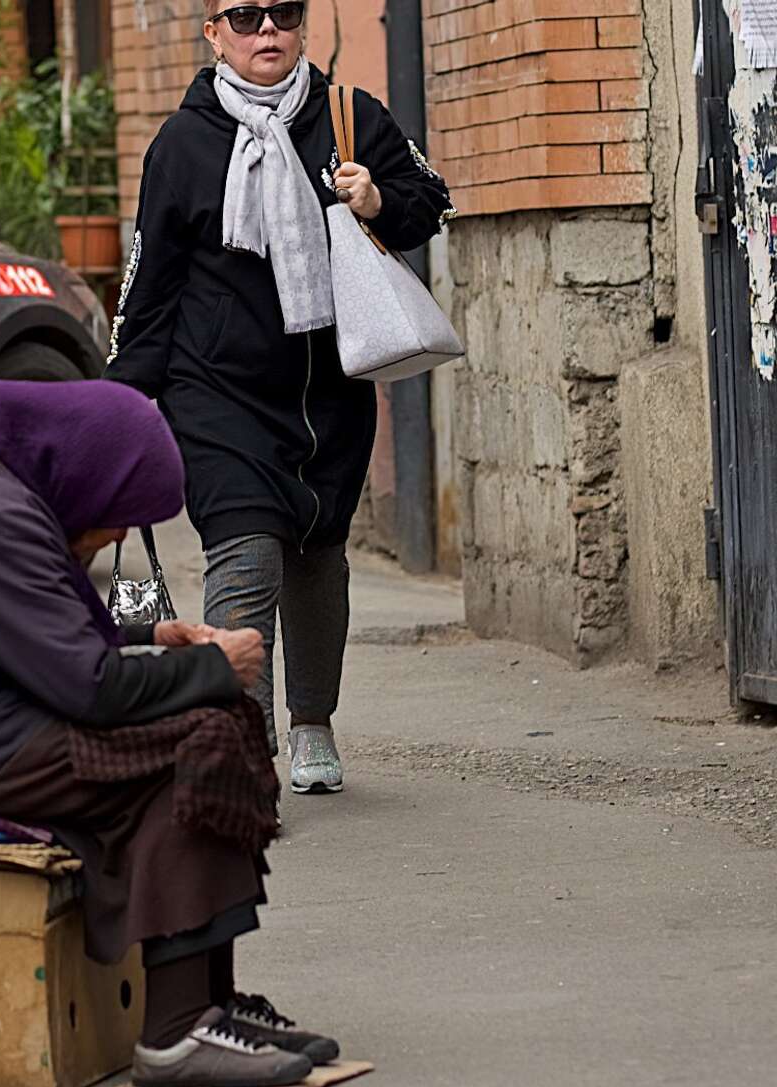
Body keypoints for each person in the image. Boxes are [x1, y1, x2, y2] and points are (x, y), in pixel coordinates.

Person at [0, 378, 340, 1087]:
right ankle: (179, 1031)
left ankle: (209, 1007)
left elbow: (24, 624)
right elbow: (87, 687)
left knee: (202, 723)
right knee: (195, 740)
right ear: (88, 475)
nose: (119, 534)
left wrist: (151, 634)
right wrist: (216, 666)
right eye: (120, 515)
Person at [105, 0, 452, 795]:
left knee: (318, 555)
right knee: (246, 549)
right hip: (217, 394)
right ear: (215, 34)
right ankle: (237, 742)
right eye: (247, 15)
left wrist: (377, 201)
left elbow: (432, 198)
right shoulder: (183, 145)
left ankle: (313, 724)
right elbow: (148, 286)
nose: (268, 31)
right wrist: (122, 406)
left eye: (284, 14)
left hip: (330, 392)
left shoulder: (349, 117)